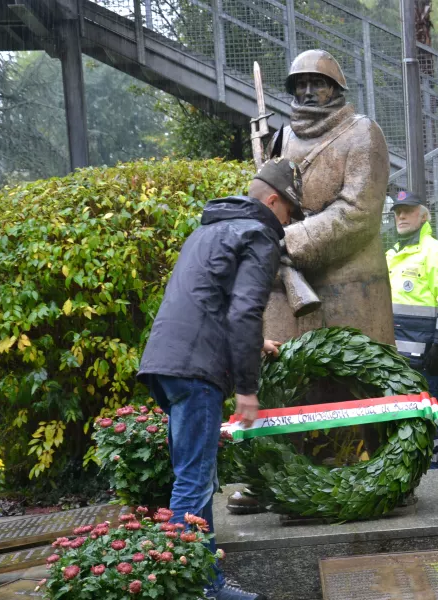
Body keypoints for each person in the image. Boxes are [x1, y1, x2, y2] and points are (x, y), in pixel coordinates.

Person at [137, 158, 303, 600]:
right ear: (273, 200)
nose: (289, 222)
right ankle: (188, 588)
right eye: (290, 210)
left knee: (194, 476)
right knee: (193, 479)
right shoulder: (258, 233)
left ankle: (204, 581)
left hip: (165, 363)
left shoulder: (209, 228)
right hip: (197, 370)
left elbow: (210, 301)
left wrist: (259, 340)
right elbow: (245, 309)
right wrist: (247, 388)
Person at [265, 49, 394, 346]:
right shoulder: (281, 138)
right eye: (301, 84)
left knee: (352, 388)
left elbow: (359, 213)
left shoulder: (363, 133)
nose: (308, 92)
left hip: (350, 289)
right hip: (286, 290)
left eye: (318, 83)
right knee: (287, 387)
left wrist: (289, 241)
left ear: (335, 88)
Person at [386, 191, 438, 468]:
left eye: (407, 211)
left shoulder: (436, 252)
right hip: (399, 356)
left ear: (423, 215)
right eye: (397, 212)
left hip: (427, 354)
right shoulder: (392, 255)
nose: (401, 216)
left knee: (435, 411)